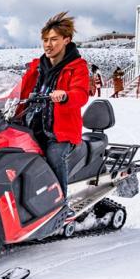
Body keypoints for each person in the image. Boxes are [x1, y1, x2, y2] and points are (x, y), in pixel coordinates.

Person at [19, 11, 90, 200]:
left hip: (59, 134)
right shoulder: (37, 66)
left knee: (54, 157)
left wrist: (66, 96)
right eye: (45, 40)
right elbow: (20, 89)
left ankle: (59, 206)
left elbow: (81, 95)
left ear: (66, 40)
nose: (48, 45)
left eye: (54, 39)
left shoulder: (77, 67)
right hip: (31, 127)